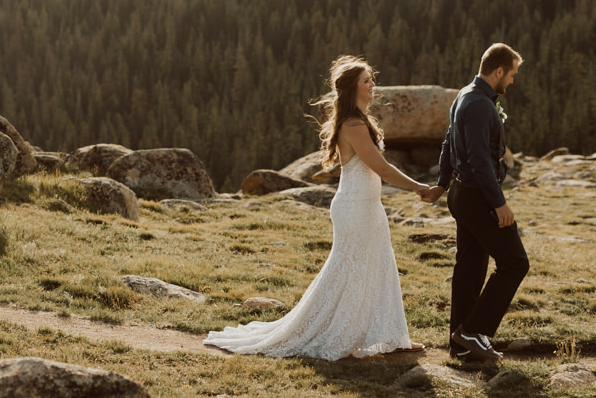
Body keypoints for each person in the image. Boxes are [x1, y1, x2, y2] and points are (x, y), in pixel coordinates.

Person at [205, 56, 442, 360]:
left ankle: (393, 336)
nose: (373, 85)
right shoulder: (353, 124)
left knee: (381, 264)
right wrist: (419, 187)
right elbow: (380, 166)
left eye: (371, 79)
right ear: (352, 89)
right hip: (355, 207)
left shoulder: (360, 120)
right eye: (366, 81)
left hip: (367, 206)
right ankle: (338, 335)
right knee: (349, 270)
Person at [438, 43, 528, 367]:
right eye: (512, 75)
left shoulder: (465, 95)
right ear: (498, 71)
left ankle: (461, 344)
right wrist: (499, 203)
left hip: (463, 193)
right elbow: (478, 159)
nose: (513, 82)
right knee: (515, 262)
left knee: (471, 267)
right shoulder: (478, 104)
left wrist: (441, 182)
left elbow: (449, 140)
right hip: (476, 196)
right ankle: (475, 331)